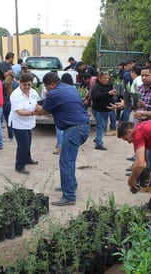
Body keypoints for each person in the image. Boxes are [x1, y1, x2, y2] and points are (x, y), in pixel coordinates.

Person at [34, 72, 90, 206]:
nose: (46, 90)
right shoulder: (70, 88)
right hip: (83, 126)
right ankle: (70, 184)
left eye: (46, 87)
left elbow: (43, 111)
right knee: (69, 160)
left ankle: (69, 195)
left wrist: (34, 106)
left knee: (66, 162)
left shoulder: (54, 93)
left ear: (51, 84)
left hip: (74, 129)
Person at [8, 73, 40, 174]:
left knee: (28, 142)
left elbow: (38, 103)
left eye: (29, 85)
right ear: (20, 83)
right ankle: (19, 165)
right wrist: (34, 113)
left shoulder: (33, 92)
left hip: (29, 123)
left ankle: (27, 158)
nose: (27, 87)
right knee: (23, 145)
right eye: (24, 85)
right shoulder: (15, 95)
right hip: (18, 123)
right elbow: (20, 112)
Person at [136, 65, 151, 190]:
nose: (144, 78)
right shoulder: (139, 88)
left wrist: (146, 106)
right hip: (141, 126)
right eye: (142, 75)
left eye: (146, 75)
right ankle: (143, 179)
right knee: (141, 154)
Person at [91, 71, 117, 151]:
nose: (107, 80)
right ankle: (98, 143)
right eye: (105, 78)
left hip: (107, 110)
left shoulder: (109, 86)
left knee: (104, 125)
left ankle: (98, 137)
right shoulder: (96, 87)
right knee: (101, 126)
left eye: (108, 78)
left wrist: (114, 104)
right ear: (100, 78)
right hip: (98, 110)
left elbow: (110, 97)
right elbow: (96, 96)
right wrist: (108, 93)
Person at [2, 70, 19, 142]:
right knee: (14, 120)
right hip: (13, 104)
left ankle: (10, 136)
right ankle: (16, 136)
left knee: (8, 120)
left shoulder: (3, 83)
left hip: (5, 103)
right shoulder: (16, 84)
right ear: (14, 76)